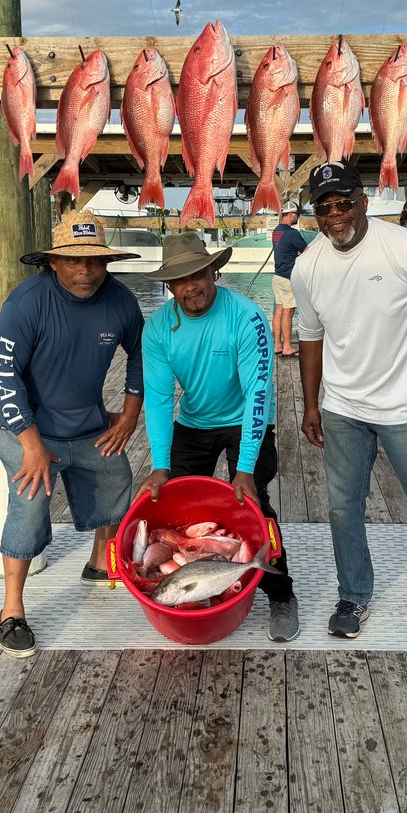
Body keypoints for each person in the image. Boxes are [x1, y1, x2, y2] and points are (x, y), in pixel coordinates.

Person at [290, 161, 407, 651]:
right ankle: (353, 595)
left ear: (364, 201)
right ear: (314, 213)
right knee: (341, 508)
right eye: (324, 206)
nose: (336, 214)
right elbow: (310, 339)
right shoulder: (308, 265)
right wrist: (311, 405)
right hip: (342, 408)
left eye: (344, 202)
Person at [0, 213, 144, 659]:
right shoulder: (26, 303)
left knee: (116, 478)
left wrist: (129, 415)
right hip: (30, 428)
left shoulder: (120, 301)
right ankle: (12, 610)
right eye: (74, 262)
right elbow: (4, 377)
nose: (85, 271)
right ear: (52, 263)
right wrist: (31, 445)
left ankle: (100, 564)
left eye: (95, 262)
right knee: (29, 504)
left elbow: (140, 355)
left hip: (89, 424)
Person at [134, 233, 300, 642]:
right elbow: (157, 400)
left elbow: (256, 394)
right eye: (178, 279)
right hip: (193, 423)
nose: (190, 286)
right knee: (182, 509)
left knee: (254, 502)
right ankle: (201, 586)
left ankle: (281, 594)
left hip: (248, 419)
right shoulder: (157, 329)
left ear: (214, 271)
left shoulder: (246, 316)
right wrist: (160, 465)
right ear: (168, 286)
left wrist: (243, 469)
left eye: (198, 273)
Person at [270, 201, 307, 357]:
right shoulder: (293, 233)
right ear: (291, 214)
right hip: (288, 278)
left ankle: (277, 345)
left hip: (277, 276)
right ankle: (287, 347)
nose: (298, 218)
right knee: (288, 312)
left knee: (279, 310)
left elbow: (285, 249)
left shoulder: (276, 231)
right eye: (297, 215)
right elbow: (307, 253)